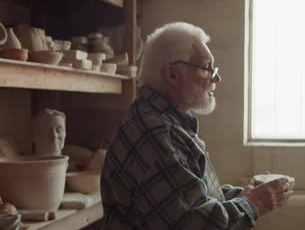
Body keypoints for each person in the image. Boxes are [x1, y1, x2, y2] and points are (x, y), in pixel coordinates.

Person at [101, 22, 293, 230]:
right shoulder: (154, 131)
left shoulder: (163, 121)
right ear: (172, 74)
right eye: (206, 68)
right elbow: (192, 224)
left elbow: (187, 197)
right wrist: (253, 204)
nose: (216, 78)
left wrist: (241, 195)